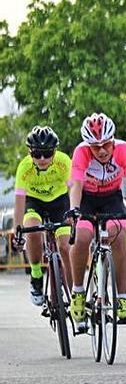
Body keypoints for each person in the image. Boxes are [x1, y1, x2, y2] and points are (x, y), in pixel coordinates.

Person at [66, 114, 126, 326]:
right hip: (86, 200)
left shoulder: (124, 149)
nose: (102, 150)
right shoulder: (81, 153)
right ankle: (77, 293)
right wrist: (74, 210)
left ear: (113, 141)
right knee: (82, 236)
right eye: (96, 147)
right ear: (88, 146)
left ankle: (122, 299)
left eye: (105, 145)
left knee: (120, 234)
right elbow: (75, 186)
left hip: (112, 199)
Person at [13, 126, 72, 306]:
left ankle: (75, 294)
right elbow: (19, 201)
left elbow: (74, 189)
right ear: (30, 152)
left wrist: (75, 214)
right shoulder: (24, 167)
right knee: (32, 230)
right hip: (34, 201)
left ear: (55, 151)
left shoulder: (63, 161)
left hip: (59, 201)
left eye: (47, 154)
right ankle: (36, 274)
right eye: (37, 154)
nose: (42, 159)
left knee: (65, 247)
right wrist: (17, 231)